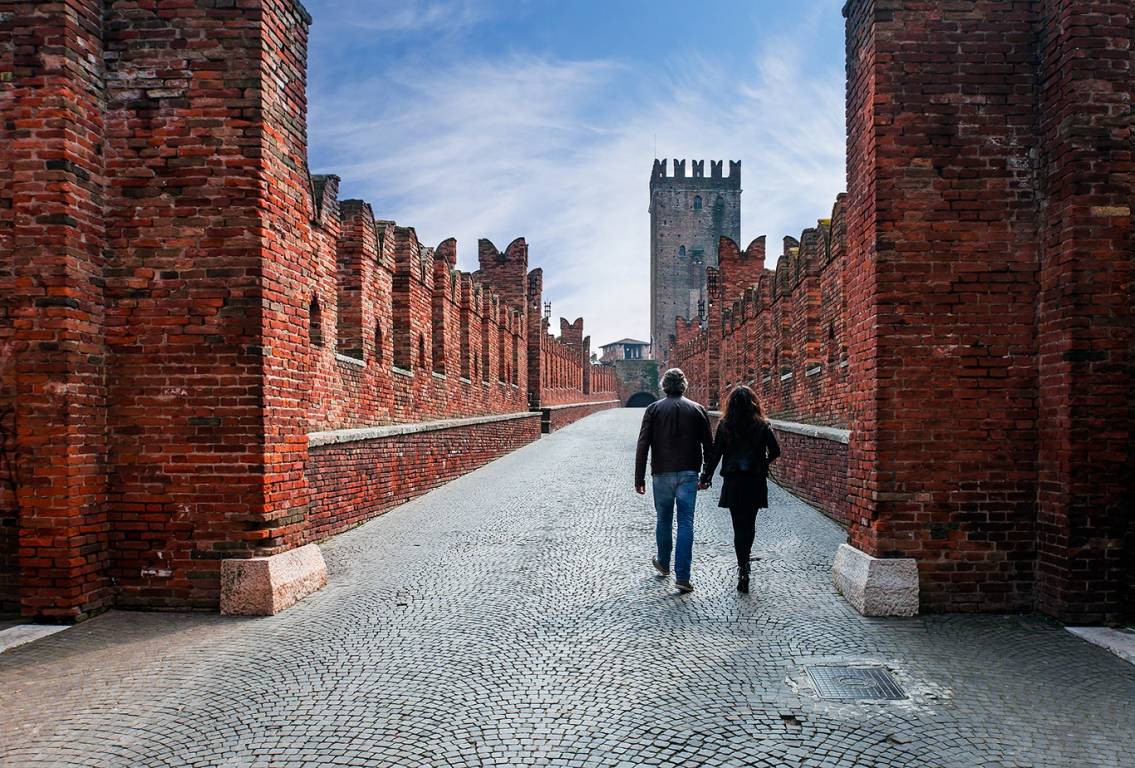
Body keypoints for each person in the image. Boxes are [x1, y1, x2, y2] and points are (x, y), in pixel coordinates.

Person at [634, 368, 713, 593]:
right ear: (684, 385)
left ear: (664, 386)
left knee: (664, 519)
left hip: (661, 473)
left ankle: (663, 563)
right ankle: (683, 576)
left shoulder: (653, 409)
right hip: (689, 473)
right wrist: (706, 475)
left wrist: (639, 477)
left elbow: (643, 445)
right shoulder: (698, 409)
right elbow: (709, 446)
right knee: (686, 522)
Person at [700, 385, 781, 594]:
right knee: (750, 524)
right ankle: (746, 564)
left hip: (734, 481)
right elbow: (776, 450)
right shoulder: (763, 425)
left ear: (731, 404)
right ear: (754, 403)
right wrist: (763, 462)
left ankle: (742, 567)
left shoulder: (725, 425)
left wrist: (705, 477)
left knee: (738, 527)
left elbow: (715, 455)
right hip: (754, 480)